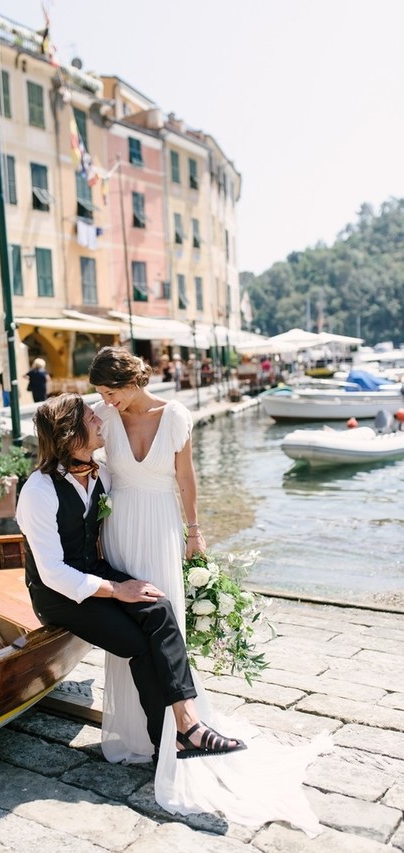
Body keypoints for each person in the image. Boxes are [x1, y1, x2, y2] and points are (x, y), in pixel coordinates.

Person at [88, 345, 332, 836]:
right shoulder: (99, 415)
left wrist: (194, 531)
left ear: (133, 380)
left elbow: (185, 476)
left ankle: (184, 724)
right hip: (117, 530)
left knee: (164, 620)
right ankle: (139, 735)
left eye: (111, 391)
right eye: (100, 393)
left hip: (159, 526)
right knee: (126, 624)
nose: (107, 401)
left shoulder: (174, 415)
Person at [16, 393, 246, 767]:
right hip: (59, 595)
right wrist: (117, 590)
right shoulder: (38, 491)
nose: (100, 421)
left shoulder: (101, 473)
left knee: (158, 607)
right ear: (70, 434)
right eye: (91, 418)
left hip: (94, 573)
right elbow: (53, 573)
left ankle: (187, 726)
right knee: (138, 642)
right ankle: (166, 740)